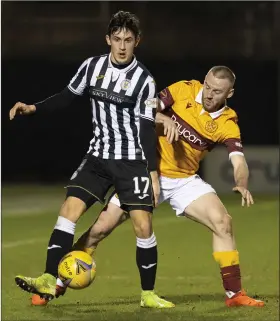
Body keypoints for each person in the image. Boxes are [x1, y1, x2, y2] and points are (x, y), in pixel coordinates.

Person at [32, 65, 265, 308]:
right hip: (143, 172)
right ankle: (55, 284)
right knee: (99, 230)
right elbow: (141, 110)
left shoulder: (228, 122)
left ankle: (235, 295)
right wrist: (163, 118)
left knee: (223, 222)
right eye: (207, 86)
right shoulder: (183, 90)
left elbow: (238, 161)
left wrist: (242, 183)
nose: (208, 94)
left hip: (183, 180)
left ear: (229, 94)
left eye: (217, 91)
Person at [10, 10, 175, 309]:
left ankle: (148, 294)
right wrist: (33, 108)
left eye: (128, 40)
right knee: (69, 210)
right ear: (108, 39)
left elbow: (146, 127)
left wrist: (152, 174)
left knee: (142, 226)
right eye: (117, 39)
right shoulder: (92, 67)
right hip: (97, 157)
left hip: (132, 163)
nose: (122, 46)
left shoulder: (144, 81)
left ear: (138, 41)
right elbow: (66, 96)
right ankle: (49, 277)